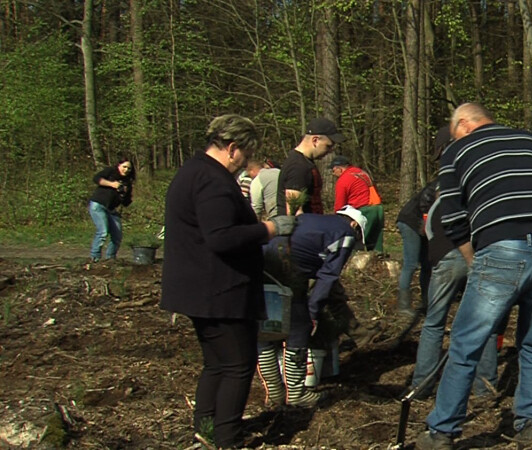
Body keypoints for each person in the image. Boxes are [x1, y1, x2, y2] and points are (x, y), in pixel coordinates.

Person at [417, 103, 532, 449]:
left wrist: (472, 257)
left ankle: (442, 432)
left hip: (500, 249)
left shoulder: (456, 151)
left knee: (466, 343)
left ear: (462, 124)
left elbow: (451, 215)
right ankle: (531, 426)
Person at [160, 114, 296, 448]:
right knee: (237, 364)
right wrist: (270, 229)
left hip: (199, 287)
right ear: (233, 148)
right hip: (218, 289)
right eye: (246, 155)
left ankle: (206, 427)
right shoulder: (213, 181)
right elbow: (220, 237)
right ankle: (228, 438)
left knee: (217, 363)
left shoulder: (193, 171)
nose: (245, 163)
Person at [257, 207, 366, 409]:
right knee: (299, 326)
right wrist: (313, 311)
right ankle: (297, 394)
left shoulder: (312, 219)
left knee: (265, 328)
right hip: (286, 267)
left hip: (261, 261)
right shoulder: (346, 234)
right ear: (354, 225)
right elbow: (328, 276)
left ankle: (273, 392)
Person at [409, 190, 499, 398]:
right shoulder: (474, 199)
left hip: (446, 259)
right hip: (474, 257)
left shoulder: (439, 205)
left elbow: (425, 230)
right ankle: (486, 387)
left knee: (434, 323)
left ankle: (421, 385)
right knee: (485, 323)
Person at [278, 118, 342, 215]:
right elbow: (293, 212)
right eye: (328, 146)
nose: (329, 151)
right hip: (302, 228)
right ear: (315, 140)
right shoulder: (298, 166)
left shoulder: (306, 162)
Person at [395, 180, 437, 316]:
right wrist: (426, 221)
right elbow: (426, 200)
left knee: (427, 263)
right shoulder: (444, 181)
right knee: (411, 264)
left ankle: (426, 302)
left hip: (422, 224)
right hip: (411, 221)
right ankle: (403, 306)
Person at [330, 155, 385, 253]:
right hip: (378, 207)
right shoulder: (362, 173)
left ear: (340, 169)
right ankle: (379, 259)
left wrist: (337, 218)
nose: (333, 174)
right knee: (376, 239)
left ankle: (356, 262)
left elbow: (340, 204)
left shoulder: (343, 180)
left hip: (364, 210)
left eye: (333, 170)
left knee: (358, 240)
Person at [88, 156, 134, 261]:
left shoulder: (127, 181)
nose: (126, 170)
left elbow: (126, 202)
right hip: (98, 205)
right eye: (124, 167)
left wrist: (124, 194)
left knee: (117, 236)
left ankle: (110, 258)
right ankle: (95, 257)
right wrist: (112, 184)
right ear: (118, 165)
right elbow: (96, 179)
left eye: (129, 168)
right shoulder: (110, 172)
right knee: (103, 231)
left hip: (112, 209)